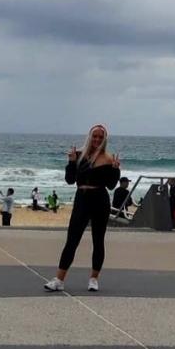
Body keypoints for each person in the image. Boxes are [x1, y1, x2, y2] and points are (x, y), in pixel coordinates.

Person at [44, 124, 121, 294]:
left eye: (101, 137)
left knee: (98, 240)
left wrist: (115, 170)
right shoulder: (79, 155)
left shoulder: (108, 159)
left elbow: (111, 185)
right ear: (89, 136)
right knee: (72, 239)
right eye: (95, 136)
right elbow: (70, 180)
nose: (97, 139)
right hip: (82, 199)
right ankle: (59, 279)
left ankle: (94, 278)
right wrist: (71, 162)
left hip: (100, 200)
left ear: (105, 139)